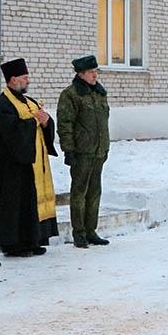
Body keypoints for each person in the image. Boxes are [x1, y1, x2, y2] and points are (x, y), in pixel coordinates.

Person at [0, 58, 59, 257]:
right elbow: (11, 132)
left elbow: (43, 123)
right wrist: (34, 121)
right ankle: (14, 245)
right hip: (12, 165)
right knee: (14, 204)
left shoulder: (29, 101)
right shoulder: (3, 104)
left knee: (31, 203)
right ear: (13, 79)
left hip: (33, 162)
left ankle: (33, 240)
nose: (28, 81)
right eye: (24, 77)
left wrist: (46, 122)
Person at [57, 55, 111, 248]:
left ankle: (91, 230)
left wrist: (105, 146)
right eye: (90, 72)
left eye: (96, 71)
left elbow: (103, 122)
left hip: (98, 150)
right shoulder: (71, 95)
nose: (95, 75)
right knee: (79, 192)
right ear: (80, 74)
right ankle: (79, 232)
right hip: (82, 152)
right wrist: (68, 150)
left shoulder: (99, 93)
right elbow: (65, 124)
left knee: (95, 192)